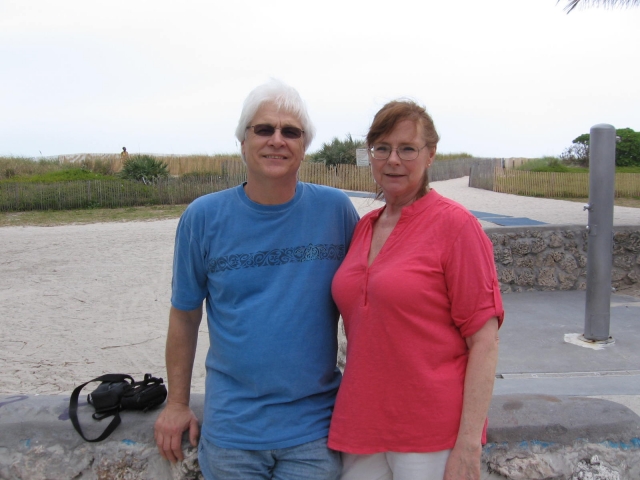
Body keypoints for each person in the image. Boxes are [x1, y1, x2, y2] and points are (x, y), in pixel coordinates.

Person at [153, 79, 359, 480]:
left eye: (290, 132)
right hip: (232, 431)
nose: (277, 140)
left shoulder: (336, 211)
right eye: (264, 129)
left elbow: (363, 309)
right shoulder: (203, 217)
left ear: (304, 146)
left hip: (315, 428)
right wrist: (177, 402)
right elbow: (184, 316)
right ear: (242, 141)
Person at [328, 100, 504, 480]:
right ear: (370, 155)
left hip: (430, 433)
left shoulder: (456, 227)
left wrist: (469, 444)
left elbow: (484, 343)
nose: (393, 159)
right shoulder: (364, 228)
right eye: (382, 148)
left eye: (407, 149)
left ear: (430, 156)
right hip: (361, 424)